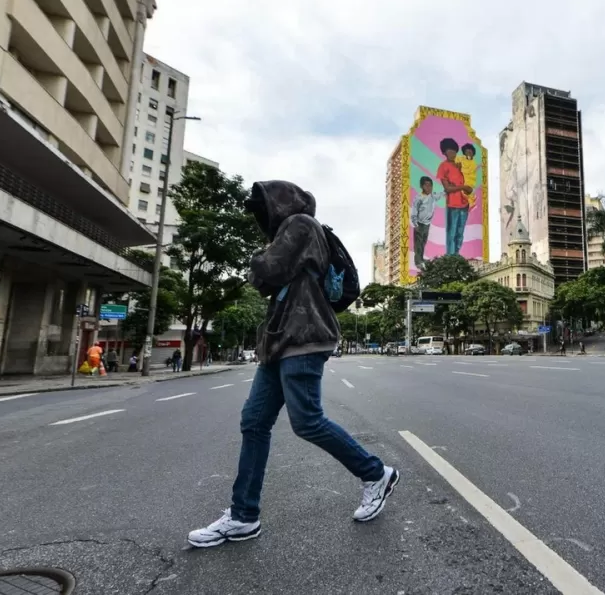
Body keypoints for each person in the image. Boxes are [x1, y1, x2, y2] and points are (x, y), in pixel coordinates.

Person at [188, 180, 399, 548]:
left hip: (303, 334)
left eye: (263, 208)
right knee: (254, 422)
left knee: (307, 421)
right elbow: (265, 282)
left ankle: (375, 473)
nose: (261, 217)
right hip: (279, 339)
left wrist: (258, 257)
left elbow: (265, 271)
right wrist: (264, 263)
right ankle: (243, 516)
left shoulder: (300, 224)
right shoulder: (290, 232)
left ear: (280, 203)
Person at [436, 138, 472, 256]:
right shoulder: (443, 166)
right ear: (444, 152)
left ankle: (456, 255)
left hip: (464, 204)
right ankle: (450, 257)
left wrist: (464, 188)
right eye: (449, 151)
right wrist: (462, 187)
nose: (452, 154)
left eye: (454, 151)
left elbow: (468, 185)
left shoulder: (460, 165)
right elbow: (447, 188)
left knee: (460, 232)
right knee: (451, 232)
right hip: (452, 204)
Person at [410, 176, 443, 269]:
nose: (429, 187)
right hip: (419, 224)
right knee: (418, 244)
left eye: (430, 185)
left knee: (423, 242)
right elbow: (414, 211)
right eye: (426, 185)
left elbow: (441, 194)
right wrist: (415, 224)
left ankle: (421, 259)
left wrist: (448, 189)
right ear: (421, 186)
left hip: (427, 224)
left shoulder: (433, 196)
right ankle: (418, 262)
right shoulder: (419, 198)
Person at [457, 143, 479, 210]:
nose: (468, 153)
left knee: (465, 191)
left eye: (470, 152)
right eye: (466, 152)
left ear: (473, 153)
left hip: (469, 183)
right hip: (461, 181)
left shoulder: (473, 164)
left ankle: (471, 202)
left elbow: (468, 173)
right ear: (464, 153)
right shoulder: (461, 158)